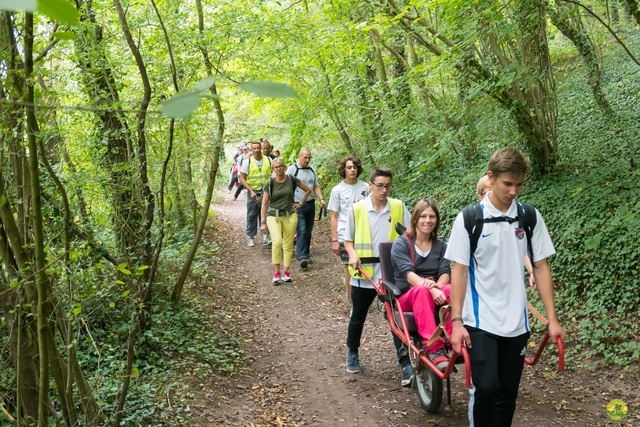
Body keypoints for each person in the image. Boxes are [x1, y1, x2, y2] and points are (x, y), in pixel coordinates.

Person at [446, 147, 566, 427]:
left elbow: (540, 266)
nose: (514, 191)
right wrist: (456, 321)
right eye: (507, 184)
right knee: (486, 388)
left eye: (519, 184)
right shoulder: (469, 219)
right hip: (480, 320)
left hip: (517, 323)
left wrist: (552, 319)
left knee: (507, 395)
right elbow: (459, 271)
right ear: (491, 177)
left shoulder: (529, 217)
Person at [344, 166, 412, 385]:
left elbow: (410, 234)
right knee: (358, 316)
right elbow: (348, 239)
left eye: (388, 186)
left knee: (398, 318)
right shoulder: (357, 209)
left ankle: (405, 363)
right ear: (370, 185)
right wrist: (352, 254)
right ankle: (352, 352)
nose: (384, 190)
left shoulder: (399, 207)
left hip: (392, 274)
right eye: (380, 186)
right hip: (365, 273)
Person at [390, 199, 451, 372]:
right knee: (422, 291)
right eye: (423, 216)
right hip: (408, 296)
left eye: (432, 216)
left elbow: (445, 272)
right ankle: (434, 347)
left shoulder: (441, 245)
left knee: (451, 289)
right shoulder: (401, 244)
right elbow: (408, 274)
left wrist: (437, 289)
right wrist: (432, 289)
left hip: (433, 289)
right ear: (415, 219)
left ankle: (455, 340)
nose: (428, 220)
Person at [477, 174, 536, 288]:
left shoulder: (515, 220)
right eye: (488, 192)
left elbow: (521, 249)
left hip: (513, 282)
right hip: (486, 287)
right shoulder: (474, 222)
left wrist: (532, 272)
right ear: (480, 196)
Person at [260, 158, 311, 284]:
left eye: (280, 166)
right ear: (273, 169)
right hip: (273, 215)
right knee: (277, 241)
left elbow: (308, 190)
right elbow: (264, 204)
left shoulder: (291, 180)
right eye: (276, 167)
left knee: (288, 245)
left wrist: (300, 203)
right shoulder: (270, 183)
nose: (278, 169)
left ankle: (286, 272)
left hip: (290, 215)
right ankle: (276, 273)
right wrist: (262, 222)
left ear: (285, 167)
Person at [328, 155, 370, 306]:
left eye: (354, 167)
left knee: (366, 266)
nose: (352, 170)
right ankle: (352, 301)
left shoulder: (366, 187)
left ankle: (365, 298)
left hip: (364, 233)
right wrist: (334, 240)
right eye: (349, 167)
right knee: (349, 269)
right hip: (345, 234)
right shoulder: (337, 190)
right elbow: (334, 216)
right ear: (343, 170)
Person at [286, 148, 326, 268]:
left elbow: (316, 186)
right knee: (301, 230)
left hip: (310, 203)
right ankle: (302, 256)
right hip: (298, 205)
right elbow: (284, 185)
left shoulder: (312, 169)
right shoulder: (292, 170)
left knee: (308, 231)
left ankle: (306, 254)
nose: (307, 160)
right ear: (299, 156)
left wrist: (321, 199)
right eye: (305, 157)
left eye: (309, 158)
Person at [239, 141, 272, 247]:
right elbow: (242, 178)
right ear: (251, 149)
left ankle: (265, 237)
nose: (257, 150)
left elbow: (273, 173)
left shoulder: (269, 160)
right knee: (252, 214)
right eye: (254, 148)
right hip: (253, 192)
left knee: (267, 213)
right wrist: (250, 191)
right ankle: (251, 237)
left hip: (266, 191)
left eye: (258, 148)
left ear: (261, 148)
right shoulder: (247, 162)